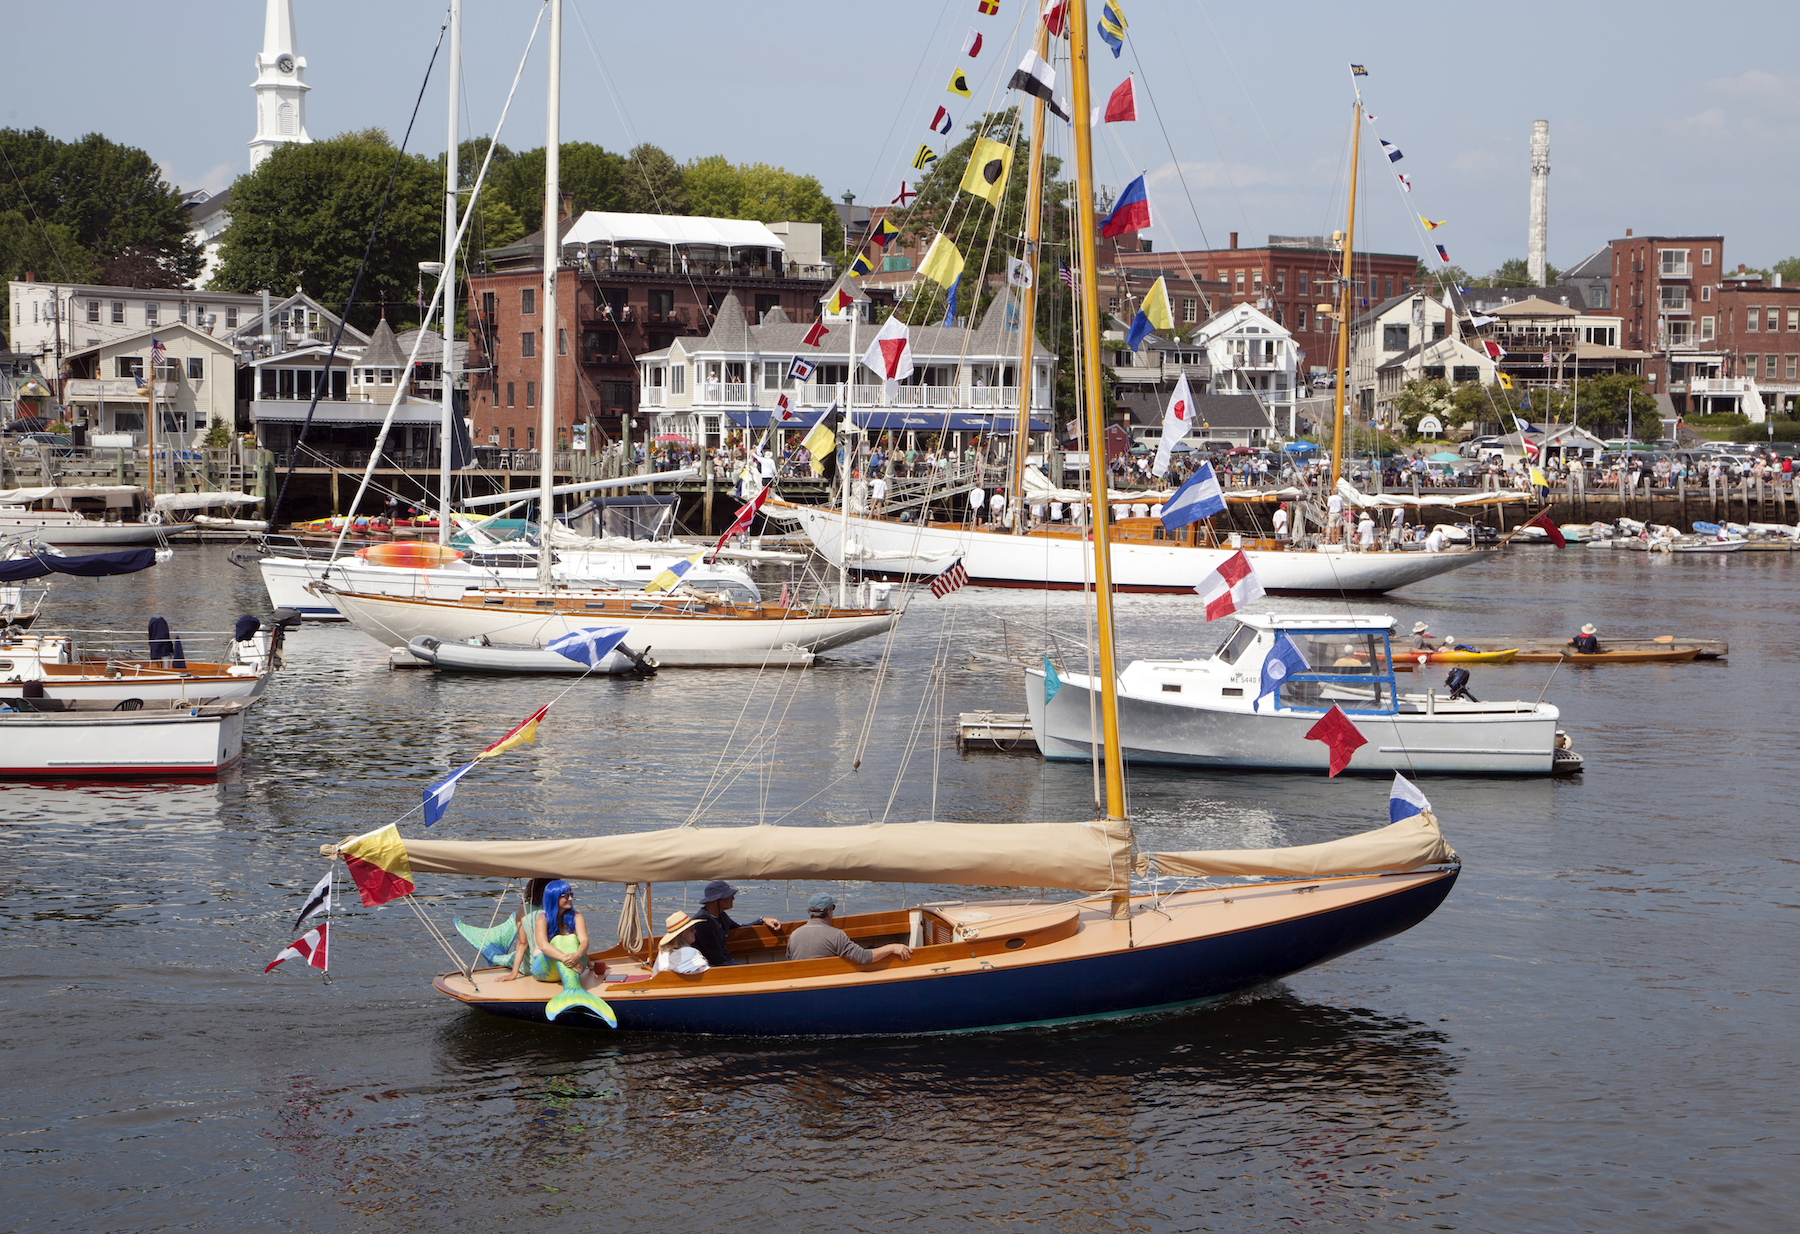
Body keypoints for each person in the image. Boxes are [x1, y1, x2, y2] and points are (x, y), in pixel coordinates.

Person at [785, 893, 912, 965]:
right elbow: (863, 957)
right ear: (829, 912)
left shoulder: (794, 935)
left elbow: (790, 963)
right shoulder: (836, 935)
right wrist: (892, 947)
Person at [690, 880, 781, 967]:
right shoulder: (703, 923)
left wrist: (762, 920)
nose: (733, 898)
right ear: (716, 900)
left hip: (725, 963)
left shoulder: (721, 916)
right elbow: (718, 959)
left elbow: (739, 927)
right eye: (728, 896)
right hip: (712, 968)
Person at [519, 879, 590, 982]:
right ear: (554, 897)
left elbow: (584, 941)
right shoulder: (542, 919)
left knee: (572, 938)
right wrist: (568, 960)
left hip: (575, 961)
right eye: (566, 896)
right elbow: (543, 946)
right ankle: (572, 987)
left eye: (571, 895)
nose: (570, 898)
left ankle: (572, 986)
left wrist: (577, 956)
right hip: (546, 968)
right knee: (558, 940)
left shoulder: (577, 916)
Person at [654, 910, 711, 975]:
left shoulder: (663, 953)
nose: (695, 931)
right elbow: (706, 971)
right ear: (682, 934)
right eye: (691, 929)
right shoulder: (691, 953)